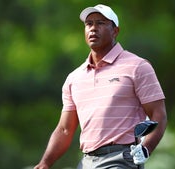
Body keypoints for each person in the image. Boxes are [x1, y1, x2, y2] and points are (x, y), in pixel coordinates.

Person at [33, 3, 167, 169]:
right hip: (86, 162)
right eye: (89, 24)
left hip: (121, 159)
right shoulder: (74, 78)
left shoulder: (137, 66)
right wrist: (45, 163)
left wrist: (146, 148)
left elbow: (158, 115)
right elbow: (65, 130)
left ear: (115, 31)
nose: (93, 28)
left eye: (101, 23)